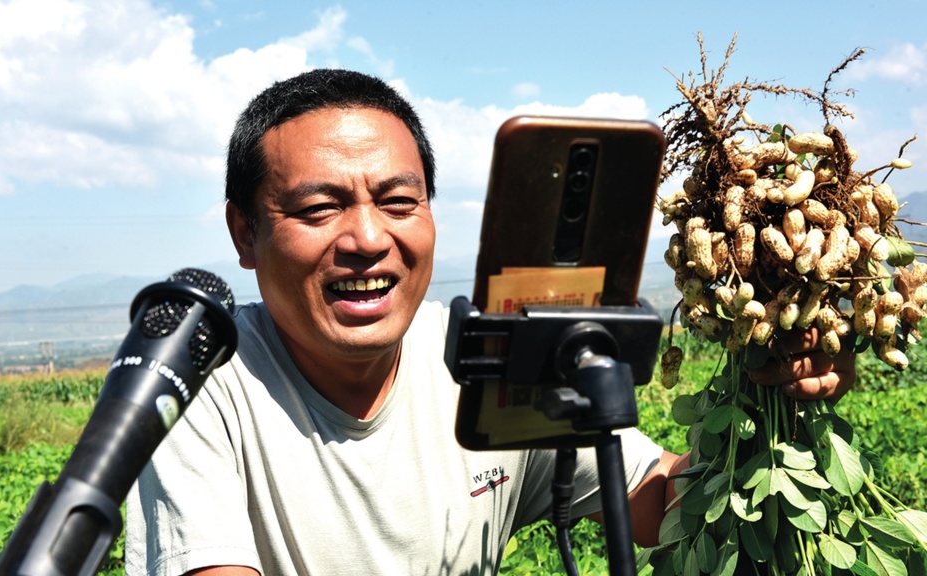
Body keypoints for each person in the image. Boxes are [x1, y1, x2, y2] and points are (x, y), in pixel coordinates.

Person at [125, 69, 856, 576]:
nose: (367, 238)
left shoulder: (489, 357)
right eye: (319, 209)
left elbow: (666, 504)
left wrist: (768, 397)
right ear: (244, 234)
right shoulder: (200, 378)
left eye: (398, 202)